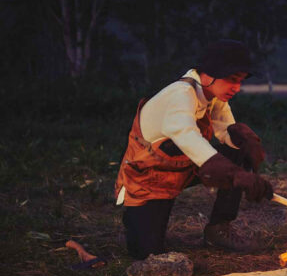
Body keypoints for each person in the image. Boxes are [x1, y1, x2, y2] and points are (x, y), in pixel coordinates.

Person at [115, 39, 273, 260]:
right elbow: (187, 137)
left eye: (240, 81)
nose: (236, 88)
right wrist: (237, 175)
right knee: (147, 256)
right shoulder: (181, 94)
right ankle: (137, 221)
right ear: (207, 75)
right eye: (231, 80)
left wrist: (247, 142)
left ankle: (219, 228)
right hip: (148, 180)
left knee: (238, 152)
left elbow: (225, 129)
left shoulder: (212, 94)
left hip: (183, 168)